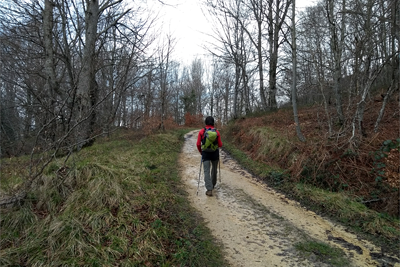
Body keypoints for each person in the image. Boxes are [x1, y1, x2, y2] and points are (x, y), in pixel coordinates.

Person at [196, 116, 223, 196]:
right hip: (215, 153)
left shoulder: (202, 131)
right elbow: (220, 145)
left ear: (206, 123)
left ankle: (209, 189)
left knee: (206, 171)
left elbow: (198, 144)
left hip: (205, 153)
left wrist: (201, 152)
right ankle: (213, 185)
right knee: (214, 170)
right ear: (213, 123)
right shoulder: (217, 132)